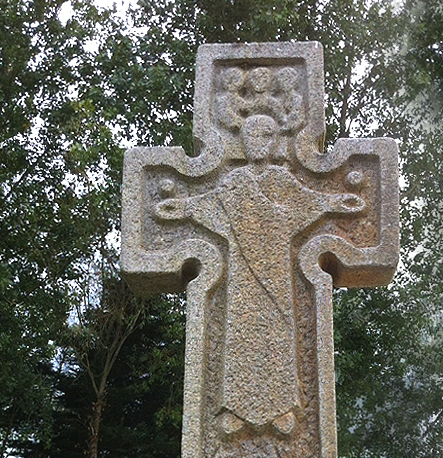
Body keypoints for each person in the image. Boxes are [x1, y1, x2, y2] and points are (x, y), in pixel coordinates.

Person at [154, 114, 365, 434]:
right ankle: (236, 408)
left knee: (279, 333)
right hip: (240, 274)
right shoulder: (233, 182)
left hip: (278, 272)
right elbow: (209, 204)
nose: (258, 141)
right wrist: (181, 208)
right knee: (239, 333)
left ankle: (282, 407)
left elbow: (308, 202)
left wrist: (337, 202)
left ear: (273, 142)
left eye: (266, 136)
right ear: (244, 141)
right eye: (252, 135)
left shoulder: (282, 180)